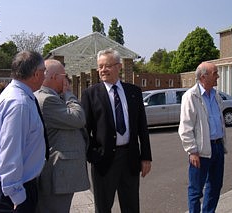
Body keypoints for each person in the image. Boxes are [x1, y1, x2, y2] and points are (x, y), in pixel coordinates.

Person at [81, 48, 152, 213]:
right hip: (104, 161)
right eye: (100, 66)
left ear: (119, 67)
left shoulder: (133, 92)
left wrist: (146, 157)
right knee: (103, 207)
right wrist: (93, 154)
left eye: (107, 66)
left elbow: (142, 126)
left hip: (130, 158)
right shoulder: (90, 94)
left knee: (131, 206)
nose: (103, 70)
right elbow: (84, 129)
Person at [0, 51, 47, 212]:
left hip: (11, 188)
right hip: (11, 194)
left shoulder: (19, 96)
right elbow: (10, 153)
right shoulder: (19, 104)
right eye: (44, 72)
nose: (45, 76)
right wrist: (16, 196)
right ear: (36, 74)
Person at [34, 59, 90, 213]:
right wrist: (69, 95)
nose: (66, 80)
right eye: (64, 76)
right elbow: (78, 118)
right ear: (53, 77)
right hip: (56, 176)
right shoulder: (47, 99)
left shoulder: (51, 96)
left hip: (61, 177)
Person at [178, 62, 227, 213]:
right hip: (201, 151)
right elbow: (185, 127)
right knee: (196, 190)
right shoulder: (191, 96)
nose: (218, 76)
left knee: (215, 186)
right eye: (215, 73)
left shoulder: (216, 95)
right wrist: (192, 150)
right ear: (203, 76)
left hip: (218, 147)